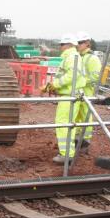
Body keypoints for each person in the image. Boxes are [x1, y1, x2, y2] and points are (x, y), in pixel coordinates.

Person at [41, 34, 86, 163]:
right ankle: (67, 153)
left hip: (70, 96)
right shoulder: (70, 57)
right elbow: (66, 76)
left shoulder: (72, 57)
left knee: (63, 125)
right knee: (66, 124)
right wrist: (53, 87)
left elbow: (71, 76)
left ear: (68, 45)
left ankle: (66, 155)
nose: (60, 47)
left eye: (61, 45)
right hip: (69, 95)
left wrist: (54, 85)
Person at [74, 31, 102, 152]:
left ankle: (85, 142)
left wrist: (82, 82)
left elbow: (96, 76)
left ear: (87, 43)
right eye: (77, 43)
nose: (78, 45)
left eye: (80, 43)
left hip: (86, 93)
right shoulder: (79, 57)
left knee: (86, 117)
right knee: (77, 117)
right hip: (77, 93)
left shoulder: (92, 58)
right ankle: (77, 139)